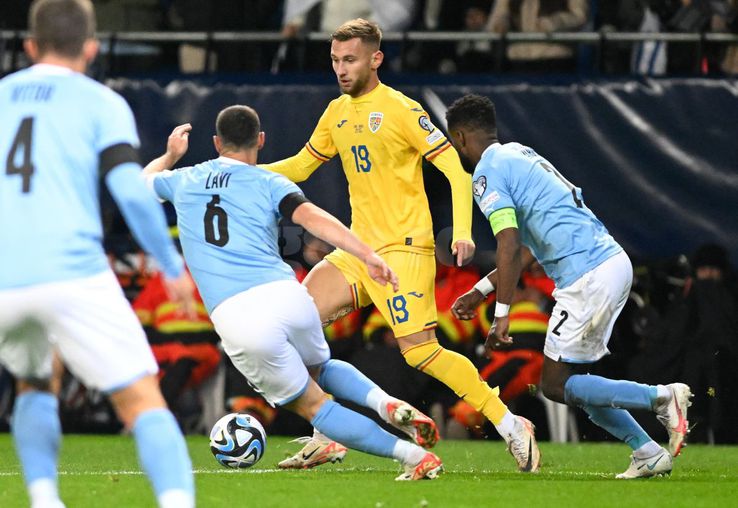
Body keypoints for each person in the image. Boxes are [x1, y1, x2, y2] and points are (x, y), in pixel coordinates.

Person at [262, 18, 540, 473]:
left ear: (376, 58)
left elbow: (454, 166)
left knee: (421, 352)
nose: (341, 69)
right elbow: (300, 166)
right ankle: (325, 433)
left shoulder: (402, 110)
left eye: (349, 59)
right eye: (335, 60)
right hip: (356, 249)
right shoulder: (336, 113)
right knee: (296, 322)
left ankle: (510, 424)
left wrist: (464, 229)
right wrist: (244, 173)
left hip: (405, 248)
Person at [143, 106, 443, 481]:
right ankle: (385, 404)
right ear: (261, 141)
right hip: (288, 295)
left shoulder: (184, 179)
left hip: (240, 315)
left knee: (315, 407)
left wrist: (171, 155)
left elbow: (142, 181)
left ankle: (413, 456)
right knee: (322, 368)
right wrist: (366, 254)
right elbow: (313, 217)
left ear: (217, 143)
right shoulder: (270, 182)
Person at [0, 1, 196, 507]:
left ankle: (45, 500)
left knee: (34, 382)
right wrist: (171, 266)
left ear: (28, 46)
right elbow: (131, 193)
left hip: (6, 280)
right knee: (141, 400)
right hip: (73, 274)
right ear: (91, 47)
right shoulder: (100, 102)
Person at [446, 93, 694, 479]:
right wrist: (481, 290)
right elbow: (527, 248)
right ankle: (647, 451)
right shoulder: (520, 154)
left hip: (586, 275)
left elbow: (509, 245)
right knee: (575, 383)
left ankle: (662, 397)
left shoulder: (485, 174)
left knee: (556, 385)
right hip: (606, 263)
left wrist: (501, 315)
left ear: (460, 138)